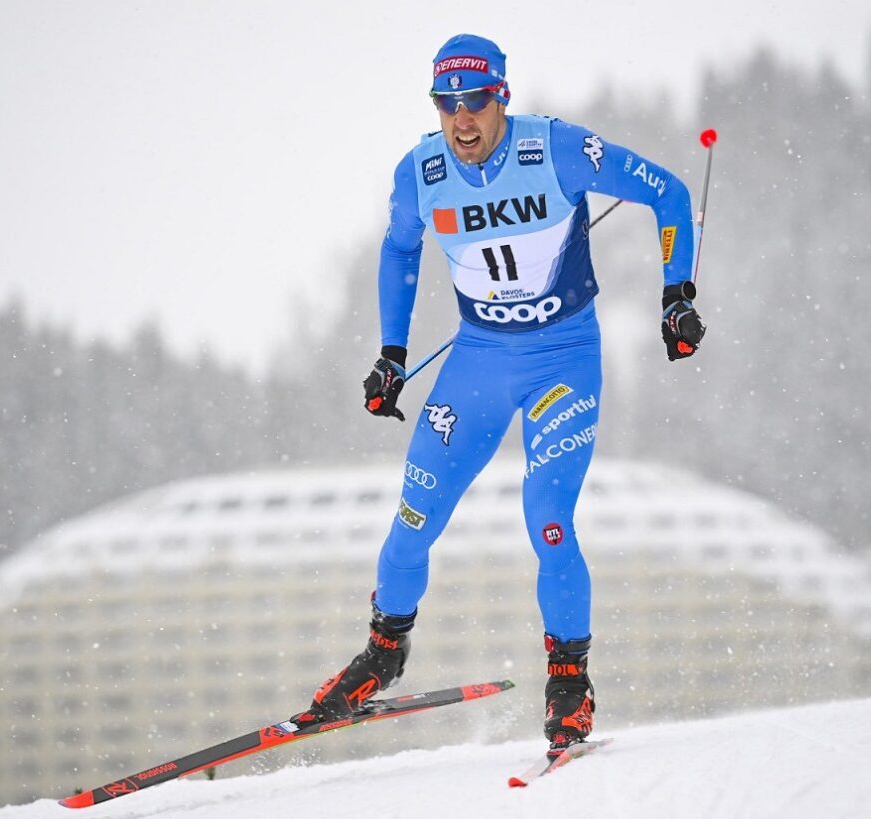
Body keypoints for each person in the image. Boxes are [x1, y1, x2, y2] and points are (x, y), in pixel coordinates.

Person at [291, 34, 706, 752]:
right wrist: (391, 355)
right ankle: (383, 652)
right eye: (446, 105)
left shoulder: (557, 150)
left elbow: (667, 191)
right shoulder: (419, 171)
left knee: (546, 515)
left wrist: (677, 296)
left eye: (475, 101)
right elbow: (399, 247)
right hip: (480, 359)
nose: (462, 120)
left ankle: (570, 682)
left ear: (501, 97)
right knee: (413, 515)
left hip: (563, 359)